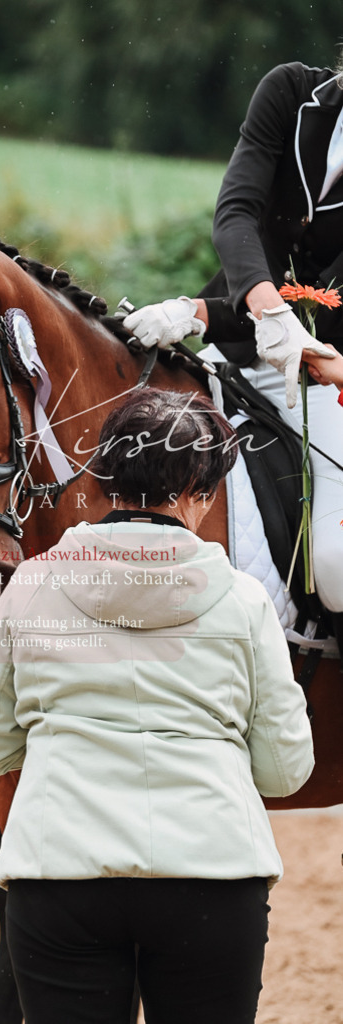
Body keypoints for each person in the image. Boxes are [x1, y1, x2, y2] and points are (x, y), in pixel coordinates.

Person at [0, 388, 314, 1024]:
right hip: (213, 874)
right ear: (200, 491)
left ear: (103, 479)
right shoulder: (245, 599)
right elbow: (285, 770)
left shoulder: (31, 585)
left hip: (59, 873)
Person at [121, 59, 343, 624]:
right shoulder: (291, 91)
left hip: (328, 377)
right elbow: (236, 212)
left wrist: (206, 314)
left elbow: (323, 299)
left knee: (336, 566)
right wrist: (197, 316)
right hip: (242, 342)